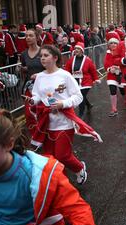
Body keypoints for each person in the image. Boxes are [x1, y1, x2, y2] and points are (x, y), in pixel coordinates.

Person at [28, 45, 102, 185]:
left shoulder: (65, 75)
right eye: (41, 56)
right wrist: (33, 100)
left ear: (55, 58)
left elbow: (78, 97)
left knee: (63, 155)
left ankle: (80, 168)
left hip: (64, 122)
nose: (42, 58)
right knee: (49, 157)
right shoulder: (40, 77)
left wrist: (63, 103)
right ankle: (58, 182)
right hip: (46, 123)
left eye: (46, 55)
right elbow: (37, 94)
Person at [64, 42, 100, 118]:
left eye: (78, 49)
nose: (76, 50)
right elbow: (67, 69)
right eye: (75, 48)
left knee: (81, 95)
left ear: (82, 50)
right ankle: (89, 105)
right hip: (75, 82)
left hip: (86, 82)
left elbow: (93, 70)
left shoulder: (87, 60)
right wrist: (65, 78)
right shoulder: (71, 60)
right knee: (81, 96)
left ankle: (81, 114)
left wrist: (96, 79)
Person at [20, 29, 44, 136]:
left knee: (43, 112)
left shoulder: (43, 52)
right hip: (30, 87)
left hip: (44, 87)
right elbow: (25, 67)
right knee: (29, 114)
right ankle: (35, 137)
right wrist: (22, 68)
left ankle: (44, 134)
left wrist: (39, 75)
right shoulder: (24, 54)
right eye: (26, 36)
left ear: (37, 37)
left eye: (30, 35)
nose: (28, 38)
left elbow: (51, 67)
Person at [104, 37, 125, 117]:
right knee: (113, 90)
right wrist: (110, 68)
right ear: (109, 45)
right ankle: (114, 109)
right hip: (111, 75)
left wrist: (119, 67)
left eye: (115, 43)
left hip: (121, 74)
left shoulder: (121, 52)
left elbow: (124, 62)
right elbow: (106, 64)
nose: (113, 45)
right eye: (111, 43)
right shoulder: (108, 53)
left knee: (123, 91)